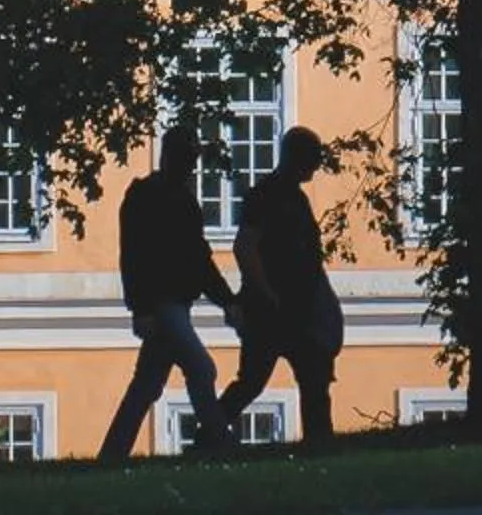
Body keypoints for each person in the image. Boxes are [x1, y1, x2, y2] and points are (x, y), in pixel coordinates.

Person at [96, 122, 238, 461]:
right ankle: (219, 442)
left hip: (172, 304)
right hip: (163, 306)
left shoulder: (178, 200)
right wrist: (141, 308)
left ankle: (112, 455)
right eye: (187, 158)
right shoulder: (147, 197)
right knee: (201, 369)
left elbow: (199, 261)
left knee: (146, 386)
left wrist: (227, 300)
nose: (190, 166)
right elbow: (134, 256)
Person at [214, 125, 342, 449]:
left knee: (306, 379)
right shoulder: (268, 196)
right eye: (312, 160)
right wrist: (266, 292)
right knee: (260, 381)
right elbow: (245, 247)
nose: (315, 168)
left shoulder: (289, 197)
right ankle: (210, 434)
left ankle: (210, 435)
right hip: (272, 307)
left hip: (292, 305)